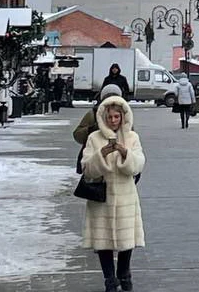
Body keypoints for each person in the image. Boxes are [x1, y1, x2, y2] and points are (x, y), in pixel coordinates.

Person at [81, 94, 145, 292]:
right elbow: (87, 169)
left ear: (123, 116)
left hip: (126, 194)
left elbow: (139, 164)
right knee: (104, 241)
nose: (113, 121)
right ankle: (109, 279)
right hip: (102, 197)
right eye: (109, 117)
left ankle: (124, 273)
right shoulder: (94, 138)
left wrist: (125, 153)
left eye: (117, 117)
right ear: (103, 117)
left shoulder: (132, 137)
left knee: (127, 240)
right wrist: (102, 154)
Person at [74, 85, 124, 173]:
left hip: (118, 163)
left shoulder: (125, 115)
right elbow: (77, 135)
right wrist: (92, 129)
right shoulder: (93, 114)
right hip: (97, 161)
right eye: (108, 97)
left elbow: (130, 136)